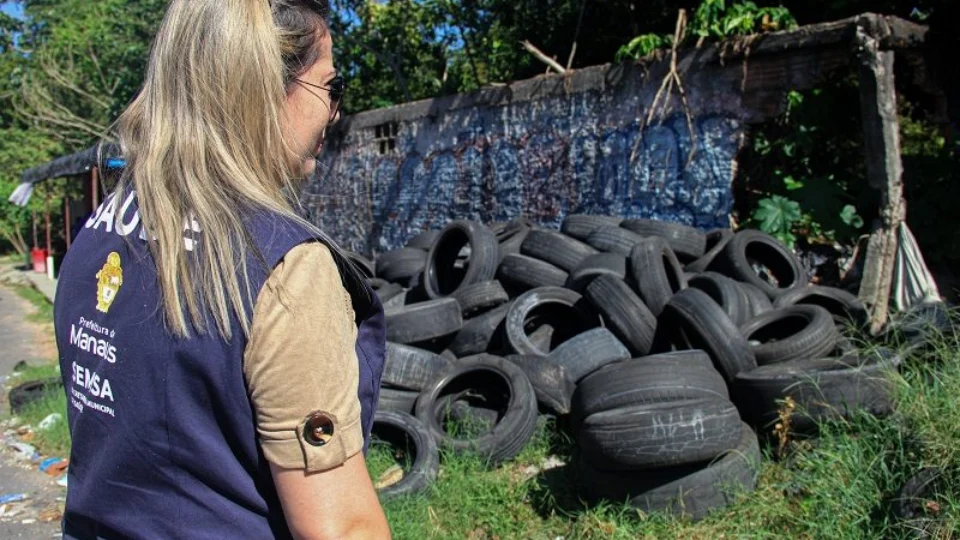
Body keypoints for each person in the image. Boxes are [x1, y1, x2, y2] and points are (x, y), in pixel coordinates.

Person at [52, 0, 390, 538]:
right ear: (261, 87)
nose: (334, 112)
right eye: (331, 87)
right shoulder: (283, 266)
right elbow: (340, 527)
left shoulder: (99, 230)